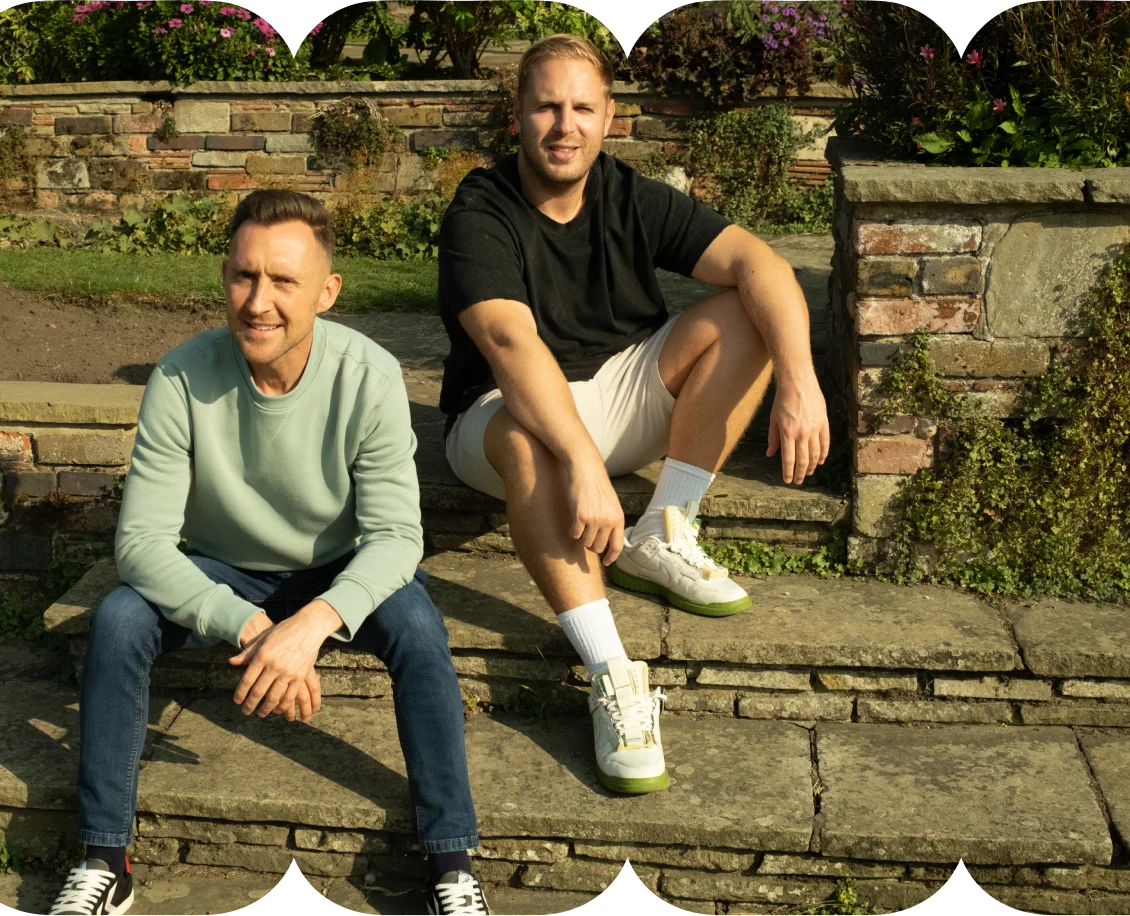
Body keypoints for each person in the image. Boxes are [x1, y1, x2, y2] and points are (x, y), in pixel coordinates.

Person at [49, 190, 490, 916]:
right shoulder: (181, 377)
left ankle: (450, 861)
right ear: (224, 275)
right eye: (243, 276)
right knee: (120, 621)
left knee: (417, 628)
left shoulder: (368, 374)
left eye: (283, 281)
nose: (258, 302)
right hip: (218, 567)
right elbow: (140, 544)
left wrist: (312, 623)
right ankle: (104, 857)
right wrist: (253, 630)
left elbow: (396, 540)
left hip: (335, 568)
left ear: (327, 291)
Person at [437, 34, 831, 795]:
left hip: (621, 393)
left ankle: (661, 528)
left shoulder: (626, 193)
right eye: (546, 106)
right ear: (516, 114)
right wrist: (581, 462)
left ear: (609, 117)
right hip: (498, 417)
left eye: (581, 107)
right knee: (531, 437)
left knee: (742, 311)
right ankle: (612, 673)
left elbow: (763, 264)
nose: (564, 125)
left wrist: (800, 382)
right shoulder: (478, 211)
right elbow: (510, 345)